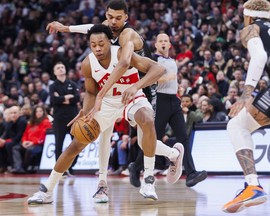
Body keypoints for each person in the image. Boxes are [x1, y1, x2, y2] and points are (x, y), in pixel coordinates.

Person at [27, 24, 184, 205]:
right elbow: (92, 93)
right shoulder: (88, 64)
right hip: (107, 102)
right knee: (75, 145)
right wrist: (86, 113)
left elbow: (158, 69)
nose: (98, 48)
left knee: (147, 119)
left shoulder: (122, 54)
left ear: (109, 41)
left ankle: (148, 180)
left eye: (101, 43)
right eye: (93, 45)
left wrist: (135, 87)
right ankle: (47, 190)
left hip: (132, 96)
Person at [46, 0, 158, 188]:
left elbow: (124, 64)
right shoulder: (106, 29)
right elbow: (94, 29)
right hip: (117, 86)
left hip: (141, 82)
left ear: (126, 18)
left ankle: (165, 160)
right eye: (109, 17)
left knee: (145, 132)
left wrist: (100, 94)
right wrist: (65, 28)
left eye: (118, 18)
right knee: (104, 132)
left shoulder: (127, 35)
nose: (113, 22)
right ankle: (102, 182)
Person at [222, 0, 270, 213]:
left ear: (247, 16)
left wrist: (246, 93)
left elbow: (259, 57)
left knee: (236, 126)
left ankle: (252, 185)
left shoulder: (251, 28)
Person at [129, 33, 207, 188]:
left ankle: (191, 174)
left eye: (166, 41)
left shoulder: (173, 61)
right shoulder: (153, 60)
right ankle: (136, 167)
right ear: (156, 45)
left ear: (170, 45)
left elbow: (171, 79)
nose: (163, 43)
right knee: (152, 138)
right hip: (160, 100)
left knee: (183, 137)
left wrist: (177, 87)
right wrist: (163, 79)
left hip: (174, 100)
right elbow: (146, 79)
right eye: (160, 41)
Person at [49, 62, 80, 179]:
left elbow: (77, 98)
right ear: (55, 72)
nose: (61, 69)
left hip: (73, 118)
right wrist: (67, 97)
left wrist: (61, 98)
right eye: (58, 68)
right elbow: (53, 100)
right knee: (58, 145)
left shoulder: (73, 83)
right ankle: (59, 171)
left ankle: (70, 167)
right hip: (59, 119)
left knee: (77, 145)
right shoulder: (53, 86)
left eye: (62, 67)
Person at [12, 105, 52, 173]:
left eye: (40, 111)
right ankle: (18, 167)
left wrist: (33, 142)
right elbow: (25, 134)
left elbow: (44, 137)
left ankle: (24, 168)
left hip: (39, 145)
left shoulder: (46, 122)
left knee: (29, 150)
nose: (39, 113)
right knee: (16, 148)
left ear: (43, 112)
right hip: (28, 143)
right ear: (34, 113)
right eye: (37, 111)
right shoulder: (31, 122)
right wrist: (24, 142)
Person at [0, 106, 27, 173]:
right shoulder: (10, 123)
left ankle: (14, 166)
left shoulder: (22, 121)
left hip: (21, 141)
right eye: (11, 113)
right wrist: (1, 140)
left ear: (19, 113)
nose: (13, 115)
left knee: (8, 145)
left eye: (15, 113)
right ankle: (3, 167)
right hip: (13, 141)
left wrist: (5, 141)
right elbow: (6, 135)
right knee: (2, 145)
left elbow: (19, 135)